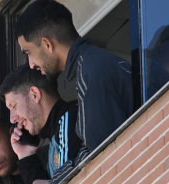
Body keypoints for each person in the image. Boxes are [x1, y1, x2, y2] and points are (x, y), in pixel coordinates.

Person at [15, 0, 133, 164]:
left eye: (29, 53)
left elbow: (100, 156)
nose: (31, 63)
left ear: (47, 44)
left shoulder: (91, 71)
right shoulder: (93, 63)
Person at [0, 64, 83, 184]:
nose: (12, 118)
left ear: (35, 94)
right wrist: (26, 155)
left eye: (14, 106)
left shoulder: (69, 120)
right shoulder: (55, 132)